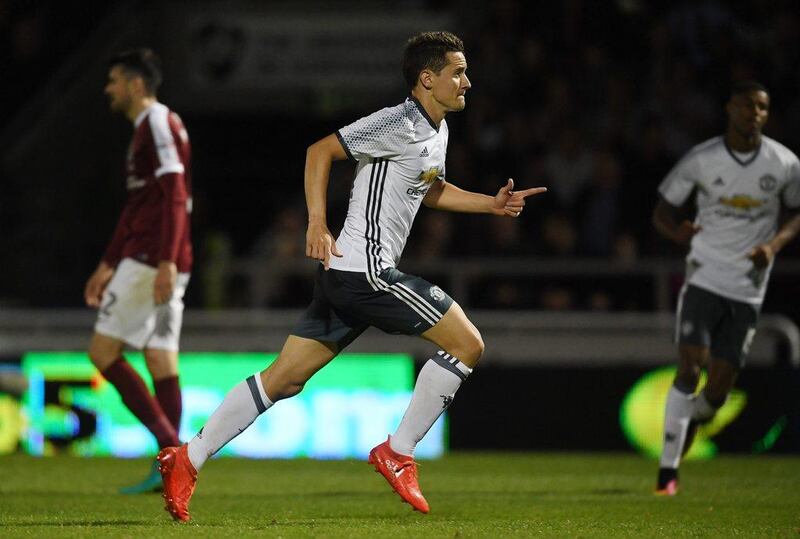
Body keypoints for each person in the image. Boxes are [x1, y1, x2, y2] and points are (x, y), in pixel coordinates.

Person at [157, 31, 545, 522]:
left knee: (284, 379)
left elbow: (430, 189)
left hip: (348, 276)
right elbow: (319, 152)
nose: (467, 81)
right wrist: (317, 222)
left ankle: (186, 458)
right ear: (428, 79)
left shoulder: (437, 129)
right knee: (468, 344)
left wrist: (489, 205)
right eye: (458, 72)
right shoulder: (397, 122)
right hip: (368, 274)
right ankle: (399, 452)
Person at [652, 80, 800, 495]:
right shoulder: (703, 160)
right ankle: (667, 473)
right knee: (689, 367)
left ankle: (696, 416)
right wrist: (676, 232)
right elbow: (662, 211)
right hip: (704, 276)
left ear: (767, 115)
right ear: (730, 108)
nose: (753, 113)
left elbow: (796, 211)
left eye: (762, 108)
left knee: (718, 390)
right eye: (746, 105)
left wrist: (773, 245)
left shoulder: (784, 163)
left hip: (747, 288)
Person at [84, 48, 193, 494]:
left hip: (153, 258)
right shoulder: (151, 127)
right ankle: (169, 465)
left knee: (103, 353)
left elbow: (174, 192)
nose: (108, 89)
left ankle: (172, 451)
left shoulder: (155, 121)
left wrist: (163, 259)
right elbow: (141, 202)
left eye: (113, 80)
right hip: (164, 255)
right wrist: (108, 261)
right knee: (159, 357)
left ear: (134, 83)